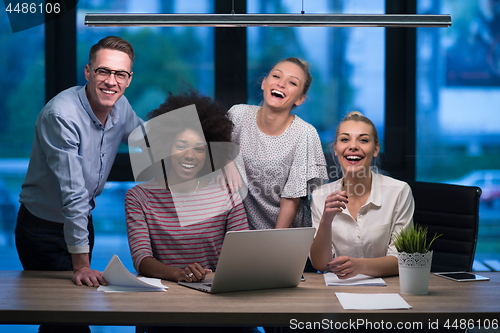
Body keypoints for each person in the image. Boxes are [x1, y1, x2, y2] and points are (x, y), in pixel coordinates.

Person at [16, 36, 142, 293]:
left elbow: (149, 137)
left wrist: (213, 155)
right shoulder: (61, 115)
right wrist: (82, 265)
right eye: (103, 71)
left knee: (78, 305)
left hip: (82, 220)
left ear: (129, 79)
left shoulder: (122, 107)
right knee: (62, 315)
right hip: (43, 230)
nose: (111, 81)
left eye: (120, 74)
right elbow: (73, 194)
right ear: (88, 72)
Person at [125, 89, 249, 284]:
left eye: (199, 148)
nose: (190, 155)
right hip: (163, 294)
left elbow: (242, 255)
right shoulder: (139, 197)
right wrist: (178, 274)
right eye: (181, 146)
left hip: (215, 292)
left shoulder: (228, 193)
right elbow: (141, 259)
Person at [227, 57, 328, 231]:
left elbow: (291, 200)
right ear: (264, 83)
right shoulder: (238, 115)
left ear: (300, 99)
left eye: (292, 83)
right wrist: (226, 160)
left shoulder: (304, 133)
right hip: (237, 232)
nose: (281, 84)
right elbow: (209, 156)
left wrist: (274, 246)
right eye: (276, 76)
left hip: (283, 235)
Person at [309, 111, 414, 278]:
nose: (353, 146)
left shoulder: (399, 192)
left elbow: (402, 260)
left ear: (375, 149)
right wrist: (326, 221)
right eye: (345, 139)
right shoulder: (321, 195)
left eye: (363, 140)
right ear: (335, 149)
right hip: (335, 293)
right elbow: (321, 265)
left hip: (388, 291)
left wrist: (358, 265)